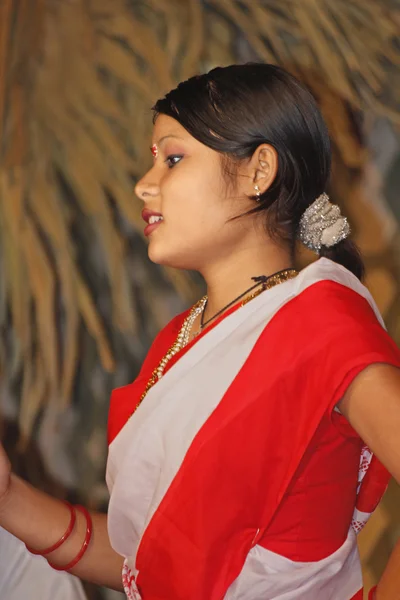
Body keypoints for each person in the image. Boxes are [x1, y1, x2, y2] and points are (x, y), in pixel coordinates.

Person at [0, 63, 399, 600]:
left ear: (259, 170)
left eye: (173, 158)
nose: (145, 186)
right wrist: (8, 497)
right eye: (153, 162)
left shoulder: (320, 323)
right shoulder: (180, 340)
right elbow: (146, 568)